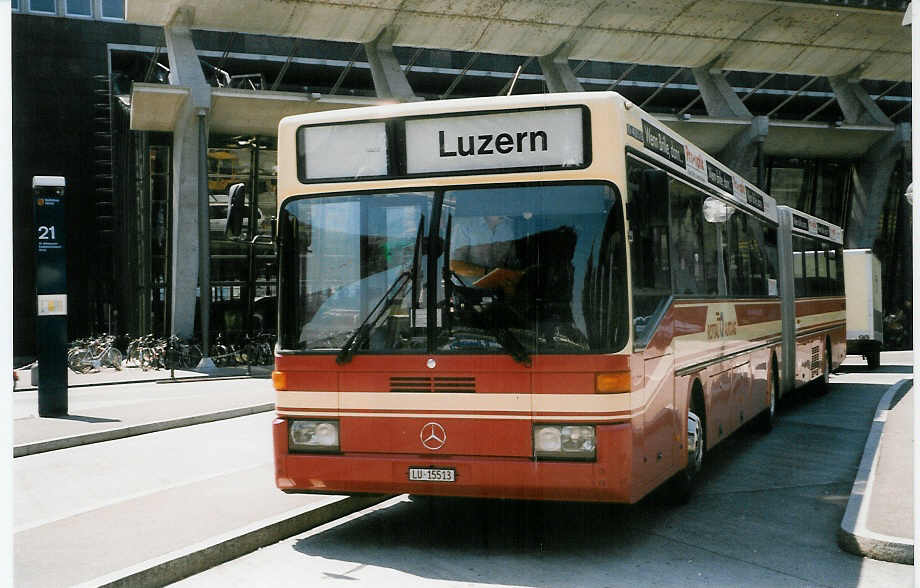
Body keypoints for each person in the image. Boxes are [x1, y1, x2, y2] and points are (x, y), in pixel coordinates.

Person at [449, 215, 524, 295]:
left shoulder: (509, 227)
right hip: (468, 293)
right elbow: (454, 265)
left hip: (498, 292)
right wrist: (488, 273)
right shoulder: (465, 226)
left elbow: (512, 264)